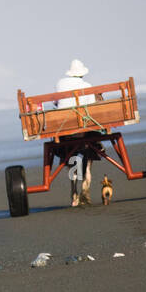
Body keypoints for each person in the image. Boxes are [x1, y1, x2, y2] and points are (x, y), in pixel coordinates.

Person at [54, 59, 95, 206]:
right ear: (82, 74)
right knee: (93, 140)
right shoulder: (87, 86)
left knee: (68, 155)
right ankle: (86, 179)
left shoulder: (60, 84)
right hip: (84, 127)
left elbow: (56, 104)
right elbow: (92, 106)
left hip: (65, 128)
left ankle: (74, 193)